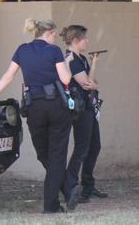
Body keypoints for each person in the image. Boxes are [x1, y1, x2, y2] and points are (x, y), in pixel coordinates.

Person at [0, 18, 80, 213]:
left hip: (33, 107)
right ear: (49, 33)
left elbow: (9, 76)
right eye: (54, 35)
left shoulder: (22, 49)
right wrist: (67, 62)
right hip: (57, 107)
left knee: (43, 153)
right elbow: (66, 79)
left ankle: (65, 191)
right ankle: (63, 192)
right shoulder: (54, 51)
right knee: (57, 155)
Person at [60, 25, 108, 203]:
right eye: (84, 38)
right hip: (79, 109)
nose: (88, 41)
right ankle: (72, 186)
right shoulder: (72, 60)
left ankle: (88, 185)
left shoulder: (81, 59)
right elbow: (87, 84)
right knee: (82, 147)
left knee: (94, 146)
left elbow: (91, 81)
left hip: (88, 106)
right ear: (75, 41)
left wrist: (93, 64)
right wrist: (92, 83)